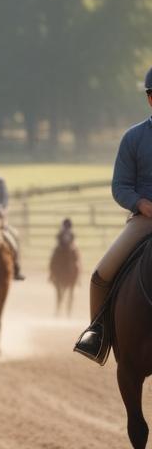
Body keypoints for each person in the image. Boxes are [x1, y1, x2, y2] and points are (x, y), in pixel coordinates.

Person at [75, 66, 152, 362]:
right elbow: (120, 186)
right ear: (149, 98)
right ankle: (98, 334)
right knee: (100, 275)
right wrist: (140, 204)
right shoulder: (133, 138)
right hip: (144, 220)